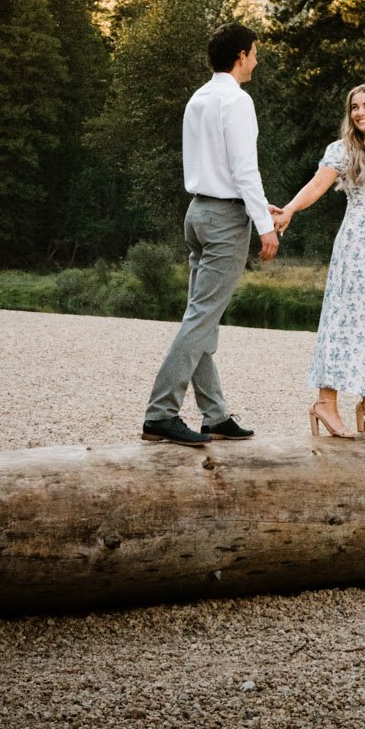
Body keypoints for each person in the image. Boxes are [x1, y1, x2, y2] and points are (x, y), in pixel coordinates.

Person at [140, 24, 279, 445]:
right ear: (240, 55)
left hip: (198, 212)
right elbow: (242, 168)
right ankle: (160, 412)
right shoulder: (236, 100)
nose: (256, 59)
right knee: (201, 318)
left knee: (201, 317)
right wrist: (265, 225)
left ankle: (214, 414)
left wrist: (258, 206)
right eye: (254, 52)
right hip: (224, 222)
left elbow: (218, 167)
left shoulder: (199, 98)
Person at [271, 82, 365, 438]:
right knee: (345, 321)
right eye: (354, 107)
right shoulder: (341, 151)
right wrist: (290, 208)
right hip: (355, 247)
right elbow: (316, 185)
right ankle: (325, 402)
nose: (360, 112)